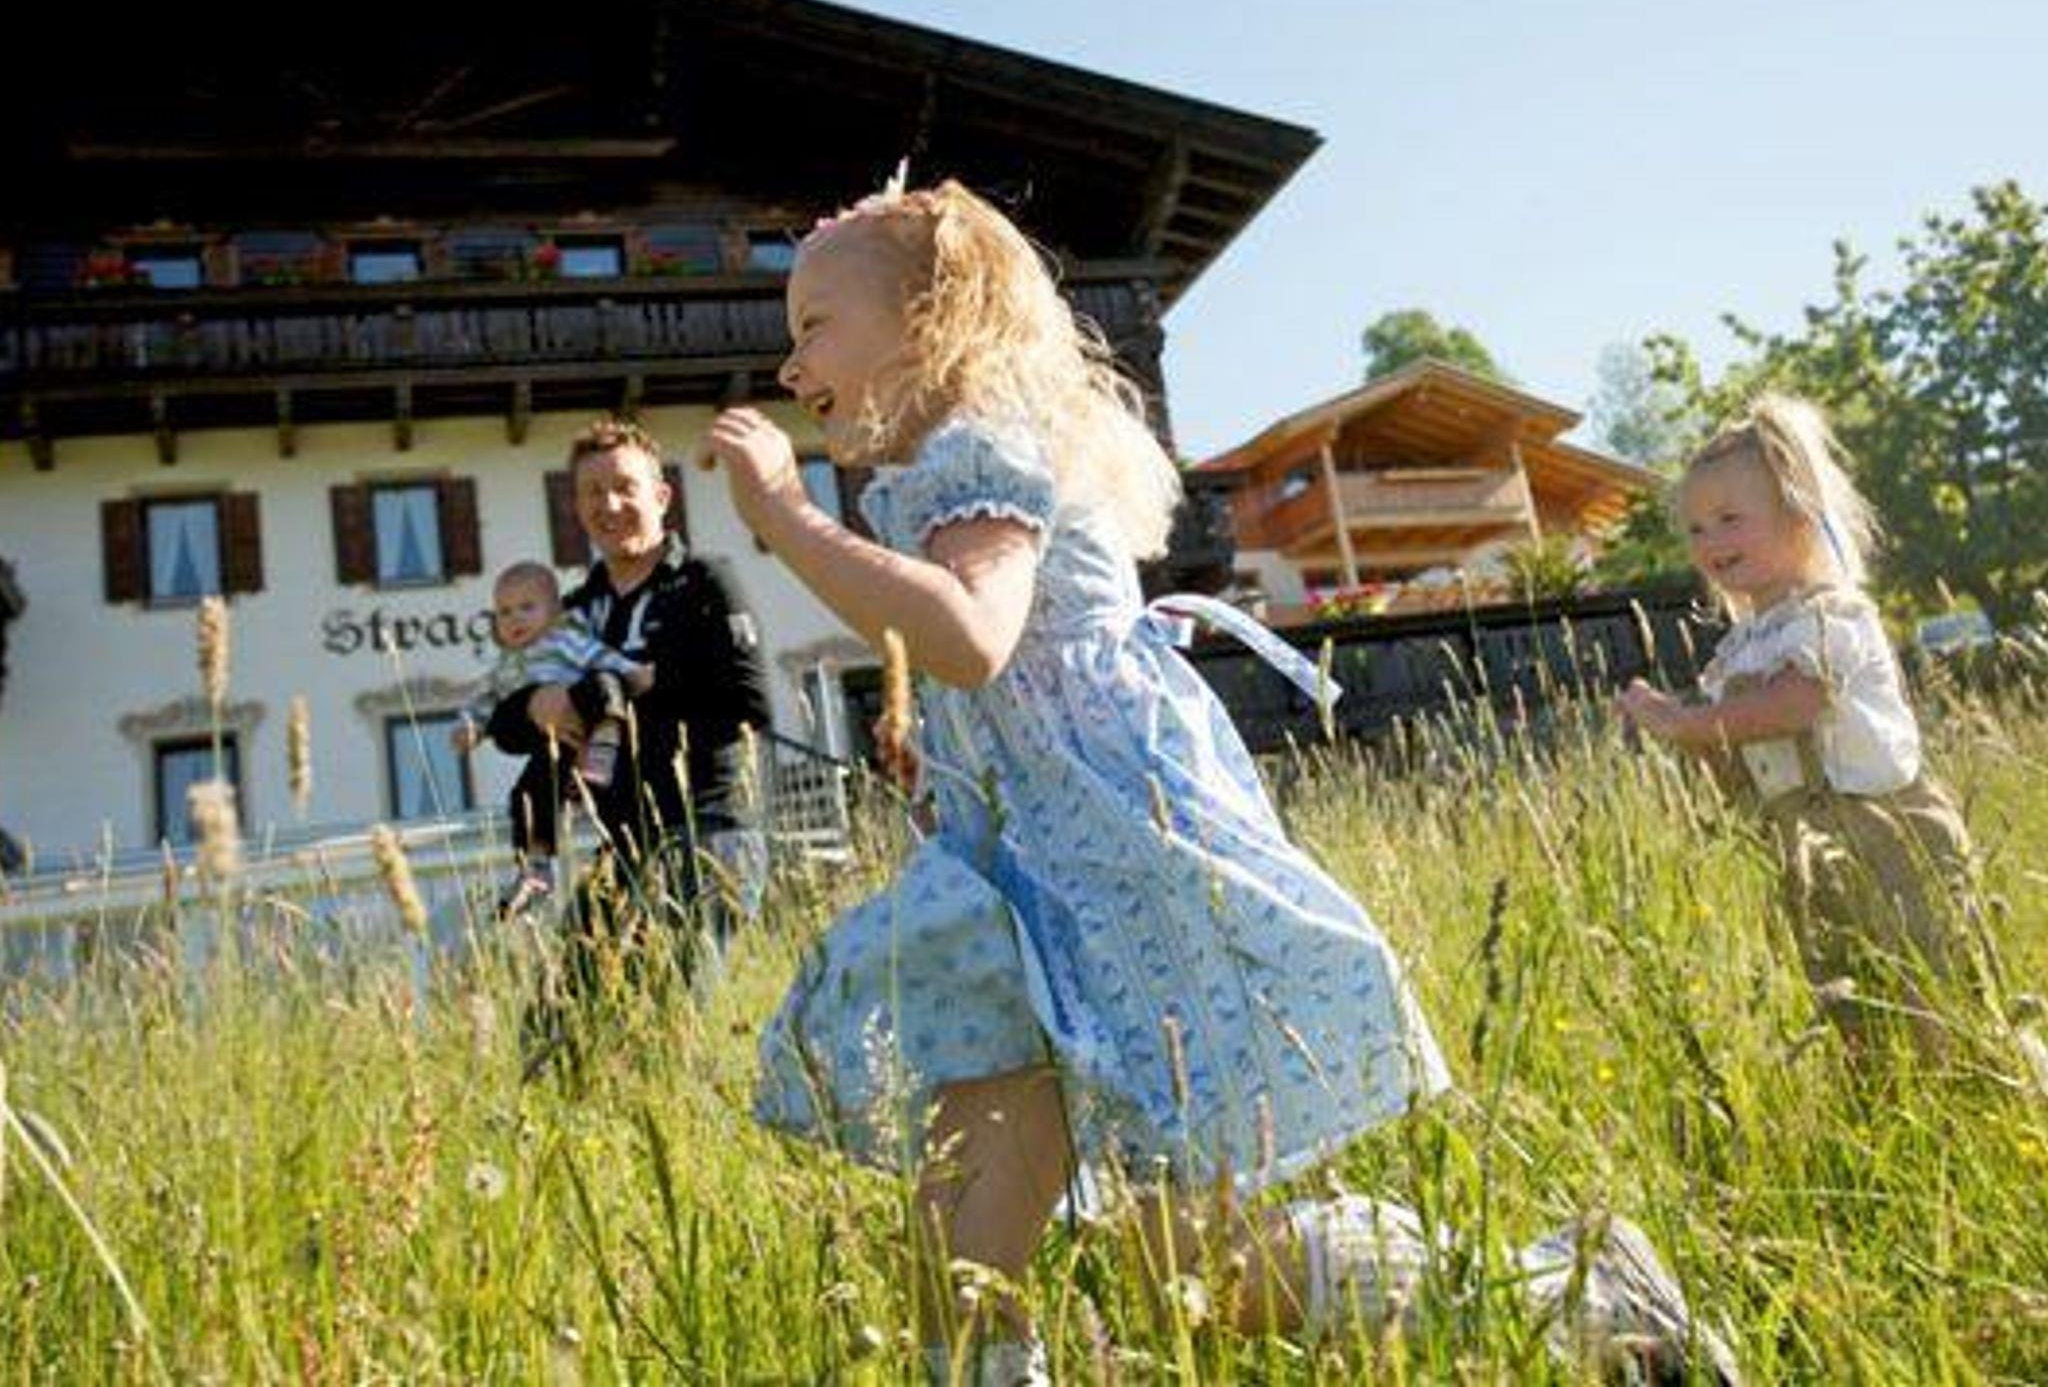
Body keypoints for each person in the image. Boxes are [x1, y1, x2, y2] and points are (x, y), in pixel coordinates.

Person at [702, 178, 1734, 1385]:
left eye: (813, 324)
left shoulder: (980, 441)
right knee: (1016, 1238)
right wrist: (953, 771)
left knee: (1195, 1271)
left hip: (1114, 876)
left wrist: (784, 511)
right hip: (1021, 891)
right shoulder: (942, 467)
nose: (791, 366)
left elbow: (970, 635)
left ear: (931, 318)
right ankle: (1571, 1295)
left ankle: (1576, 1296)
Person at [1617, 393, 1981, 1062]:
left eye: (1730, 519)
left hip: (1887, 836)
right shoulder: (1741, 649)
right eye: (1696, 529)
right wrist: (1682, 735)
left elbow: (1794, 705)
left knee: (1934, 990)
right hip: (1804, 849)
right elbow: (1739, 758)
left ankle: (1980, 1085)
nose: (1710, 541)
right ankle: (1884, 1093)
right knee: (1852, 1001)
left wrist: (1690, 723)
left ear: (1798, 514)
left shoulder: (1828, 615)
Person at [486, 419, 772, 1015]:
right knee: (561, 1031)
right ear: (576, 508)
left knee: (670, 1024)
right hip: (620, 848)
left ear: (661, 496)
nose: (609, 504)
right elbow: (506, 725)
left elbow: (746, 703)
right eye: (592, 492)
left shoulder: (706, 581)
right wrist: (536, 704)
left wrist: (607, 696)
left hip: (705, 835)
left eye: (624, 487)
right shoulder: (571, 611)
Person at [454, 560, 651, 918]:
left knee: (604, 682)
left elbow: (601, 657)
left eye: (527, 608)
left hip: (589, 718)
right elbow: (485, 699)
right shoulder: (506, 665)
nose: (515, 619)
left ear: (555, 612)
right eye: (504, 612)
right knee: (528, 795)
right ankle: (536, 866)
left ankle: (604, 746)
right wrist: (471, 727)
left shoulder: (563, 640)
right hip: (554, 745)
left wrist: (636, 672)